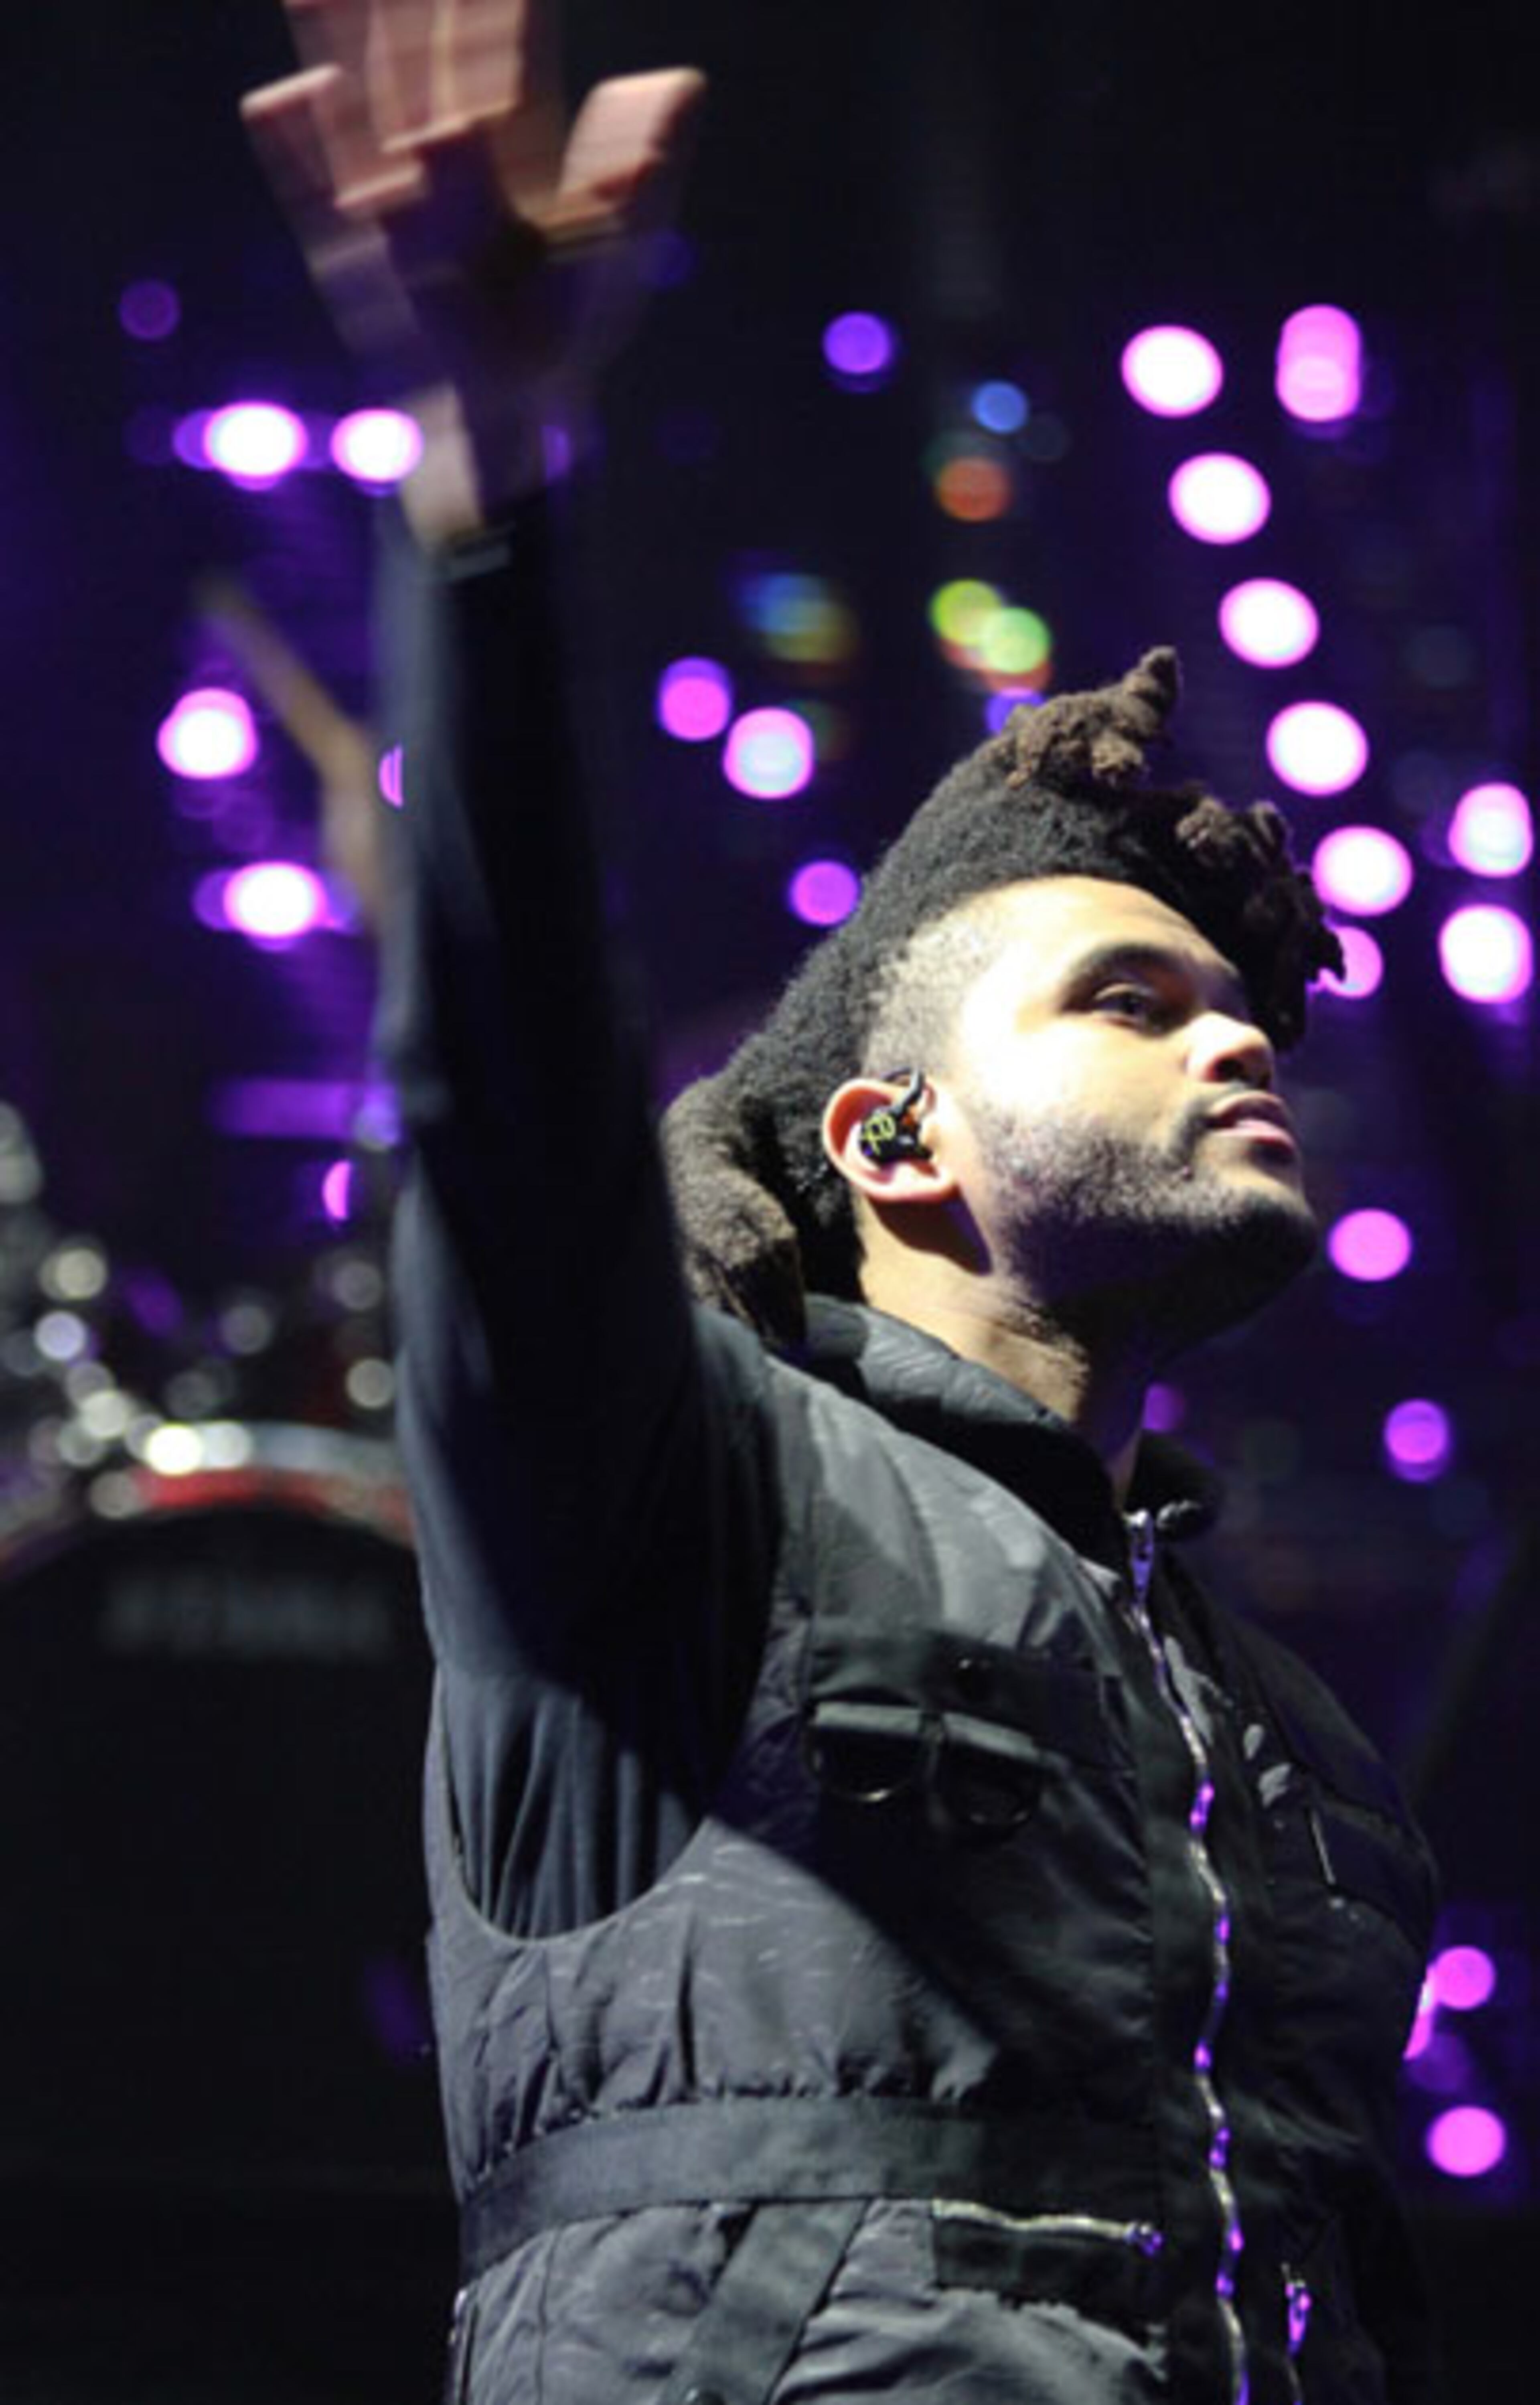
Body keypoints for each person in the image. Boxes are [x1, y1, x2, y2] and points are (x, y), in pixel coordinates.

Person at [244, 6, 1439, 2400]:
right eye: (1128, 997)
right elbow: (510, 1113)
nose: (1239, 1038)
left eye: (1249, 1008)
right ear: (892, 1146)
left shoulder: (1297, 1736)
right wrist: (486, 499)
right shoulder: (675, 1507)